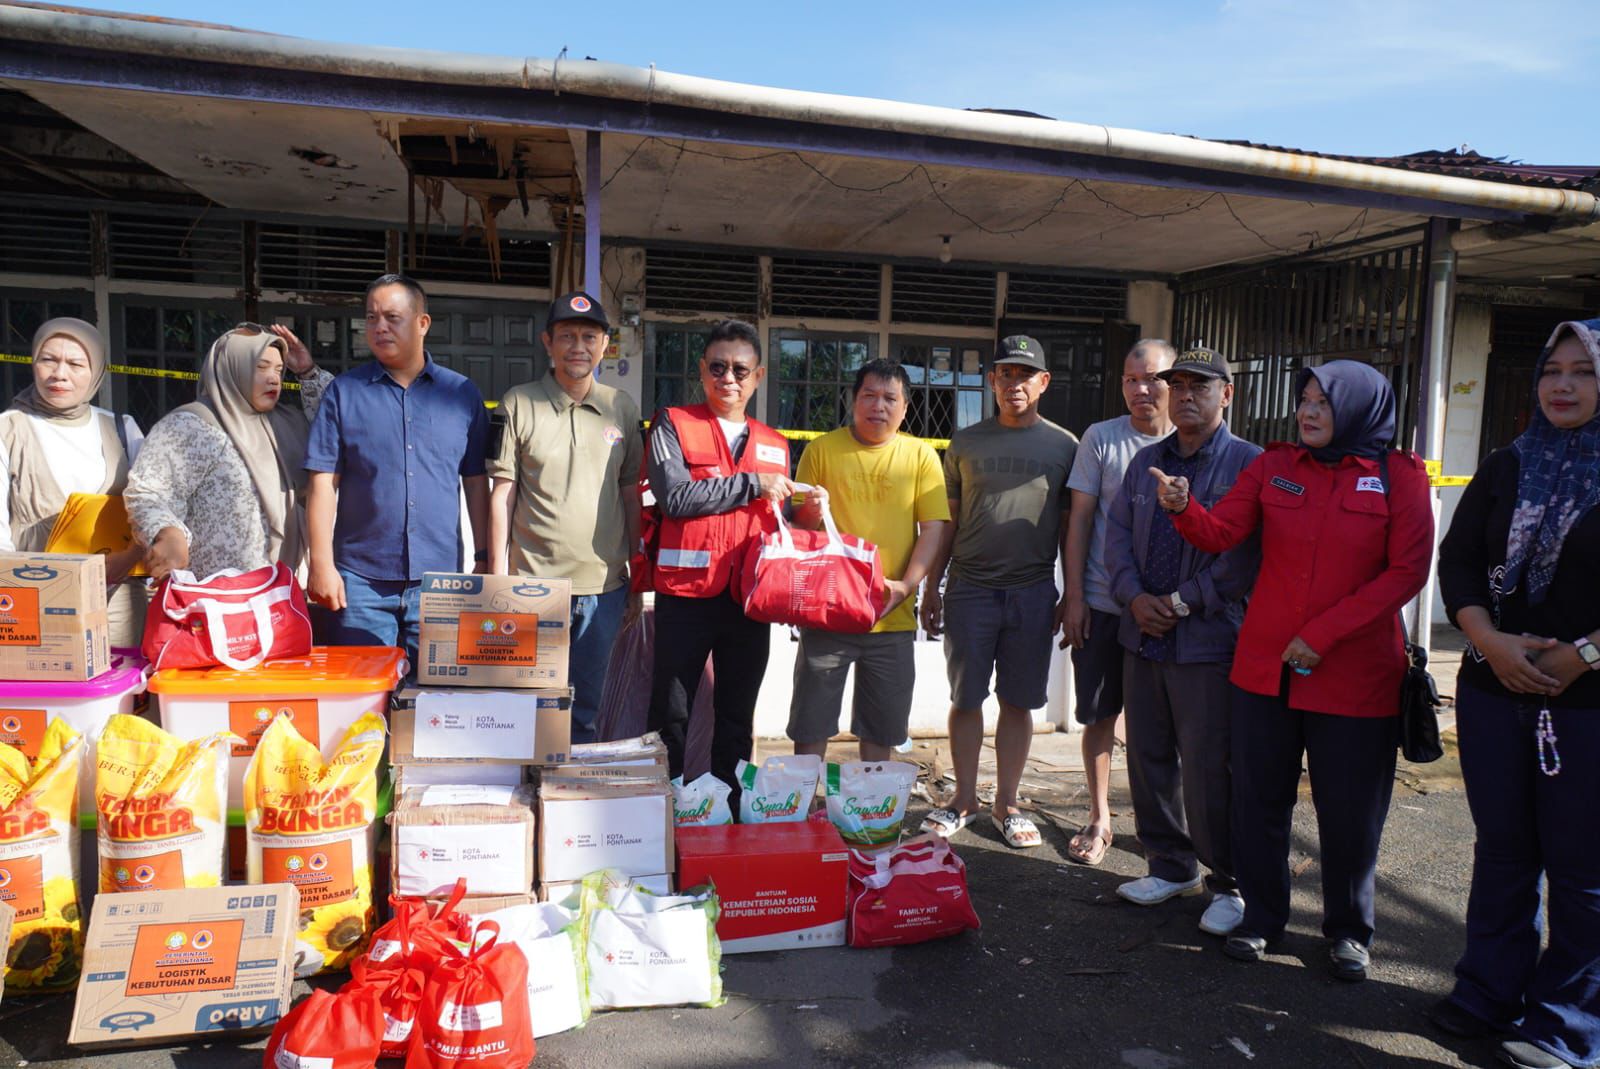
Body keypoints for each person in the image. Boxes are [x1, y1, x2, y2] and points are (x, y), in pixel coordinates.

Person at [1152, 359, 1432, 981]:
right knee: (1258, 802)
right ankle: (1262, 919)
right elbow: (1225, 532)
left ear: (1359, 409)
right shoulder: (1275, 466)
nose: (1308, 412)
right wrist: (1183, 507)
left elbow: (1406, 573)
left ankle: (1349, 932)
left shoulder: (1398, 476)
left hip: (1355, 676)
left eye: (1323, 404)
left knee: (1350, 811)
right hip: (1266, 670)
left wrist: (1324, 635)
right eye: (1305, 400)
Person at [1432, 318, 1600, 1069]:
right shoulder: (1507, 464)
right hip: (1493, 690)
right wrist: (1488, 641)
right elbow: (1460, 560)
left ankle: (1565, 1025)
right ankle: (1488, 991)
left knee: (1583, 867)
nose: (1563, 385)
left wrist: (1585, 655)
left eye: (1584, 371)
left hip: (1589, 704)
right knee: (1503, 852)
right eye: (1552, 370)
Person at [1104, 347, 1260, 933]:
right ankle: (1170, 865)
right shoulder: (1147, 461)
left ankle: (1229, 881)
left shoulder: (1248, 464)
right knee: (1147, 757)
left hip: (1208, 641)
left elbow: (1244, 555)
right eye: (1178, 385)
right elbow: (1116, 537)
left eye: (1201, 385)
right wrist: (1134, 598)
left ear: (1228, 394)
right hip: (1142, 634)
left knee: (1207, 765)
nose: (1186, 394)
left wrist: (1182, 601)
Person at [918, 336, 1077, 849]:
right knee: (966, 698)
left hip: (1031, 592)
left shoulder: (1065, 446)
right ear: (992, 381)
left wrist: (1071, 593)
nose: (1015, 383)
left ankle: (1007, 802)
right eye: (1006, 373)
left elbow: (1075, 527)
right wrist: (932, 586)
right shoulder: (965, 442)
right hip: (969, 590)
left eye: (1025, 374)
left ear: (1043, 383)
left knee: (1018, 701)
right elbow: (949, 521)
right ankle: (963, 798)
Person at [304, 275, 490, 667]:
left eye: (392, 317)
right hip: (360, 582)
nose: (379, 327)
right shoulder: (344, 392)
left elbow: (475, 481)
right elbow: (323, 481)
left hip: (440, 583)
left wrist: (484, 556)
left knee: (437, 702)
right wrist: (321, 563)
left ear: (423, 323)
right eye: (371, 318)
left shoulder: (461, 395)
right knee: (362, 705)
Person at [645, 319, 793, 791]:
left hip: (750, 600)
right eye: (718, 367)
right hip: (685, 597)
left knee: (736, 712)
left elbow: (776, 522)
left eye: (740, 369)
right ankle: (665, 805)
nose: (728, 378)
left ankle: (726, 808)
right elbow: (677, 499)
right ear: (702, 371)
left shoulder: (776, 443)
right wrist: (752, 484)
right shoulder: (673, 422)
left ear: (759, 376)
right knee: (671, 711)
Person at [489, 291, 641, 744]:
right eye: (567, 336)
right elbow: (503, 492)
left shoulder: (622, 408)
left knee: (585, 706)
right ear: (547, 342)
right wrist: (497, 573)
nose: (578, 345)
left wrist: (637, 568)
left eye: (589, 336)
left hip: (603, 585)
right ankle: (527, 800)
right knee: (527, 705)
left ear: (604, 344)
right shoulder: (519, 403)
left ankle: (570, 801)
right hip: (531, 585)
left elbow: (630, 490)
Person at [788, 358, 950, 764]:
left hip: (891, 616)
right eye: (869, 396)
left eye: (890, 398)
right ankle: (804, 816)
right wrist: (810, 507)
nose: (879, 406)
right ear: (853, 400)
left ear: (905, 407)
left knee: (881, 730)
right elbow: (800, 525)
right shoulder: (821, 450)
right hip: (826, 615)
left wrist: (907, 586)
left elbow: (933, 528)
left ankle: (868, 819)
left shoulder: (922, 457)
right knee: (811, 726)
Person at [1061, 339, 1176, 865]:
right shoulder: (1102, 438)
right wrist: (1075, 597)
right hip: (1107, 605)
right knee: (1100, 715)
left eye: (1152, 378)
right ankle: (1101, 816)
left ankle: (1168, 830)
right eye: (1131, 380)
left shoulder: (1195, 445)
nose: (1141, 389)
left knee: (1170, 725)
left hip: (1171, 614)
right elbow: (1080, 519)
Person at [127, 323, 329, 581]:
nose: (273, 378)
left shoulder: (289, 424)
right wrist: (169, 533)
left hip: (282, 594)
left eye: (279, 370)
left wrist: (307, 372)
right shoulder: (190, 425)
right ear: (232, 367)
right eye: (261, 367)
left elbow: (348, 424)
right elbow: (147, 493)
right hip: (217, 600)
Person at [0, 318, 146, 646]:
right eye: (48, 359)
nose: (59, 374)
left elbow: (154, 505)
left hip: (118, 601)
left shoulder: (122, 429)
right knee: (48, 697)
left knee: (120, 694)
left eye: (76, 363)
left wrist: (131, 555)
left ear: (97, 371)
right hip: (36, 600)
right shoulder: (9, 430)